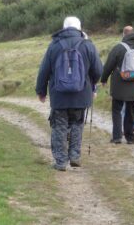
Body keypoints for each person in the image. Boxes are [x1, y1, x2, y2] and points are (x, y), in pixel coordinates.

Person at [36, 16, 103, 171]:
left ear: (64, 28)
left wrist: (41, 91)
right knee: (77, 125)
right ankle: (74, 156)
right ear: (79, 28)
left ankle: (60, 162)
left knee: (59, 126)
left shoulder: (54, 45)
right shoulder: (88, 45)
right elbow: (98, 70)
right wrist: (92, 85)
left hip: (59, 95)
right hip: (81, 94)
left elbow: (44, 70)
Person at [101, 26, 134, 144]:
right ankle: (130, 138)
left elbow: (108, 65)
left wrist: (104, 79)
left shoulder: (118, 48)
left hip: (119, 84)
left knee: (116, 110)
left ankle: (117, 137)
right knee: (131, 110)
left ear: (124, 35)